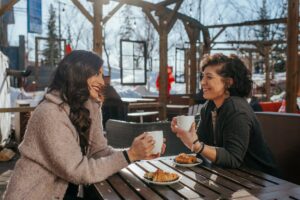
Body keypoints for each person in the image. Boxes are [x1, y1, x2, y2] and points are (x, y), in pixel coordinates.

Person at [4, 50, 164, 200]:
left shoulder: (88, 107)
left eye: (102, 74)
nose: (102, 81)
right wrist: (129, 156)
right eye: (97, 73)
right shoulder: (50, 113)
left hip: (65, 193)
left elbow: (99, 151)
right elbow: (79, 171)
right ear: (78, 74)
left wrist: (137, 154)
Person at [171, 53, 279, 176]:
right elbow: (201, 143)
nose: (202, 82)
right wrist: (187, 134)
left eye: (209, 77)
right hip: (234, 178)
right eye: (202, 77)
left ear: (228, 82)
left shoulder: (237, 109)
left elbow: (233, 158)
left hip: (264, 181)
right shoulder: (209, 106)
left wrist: (196, 145)